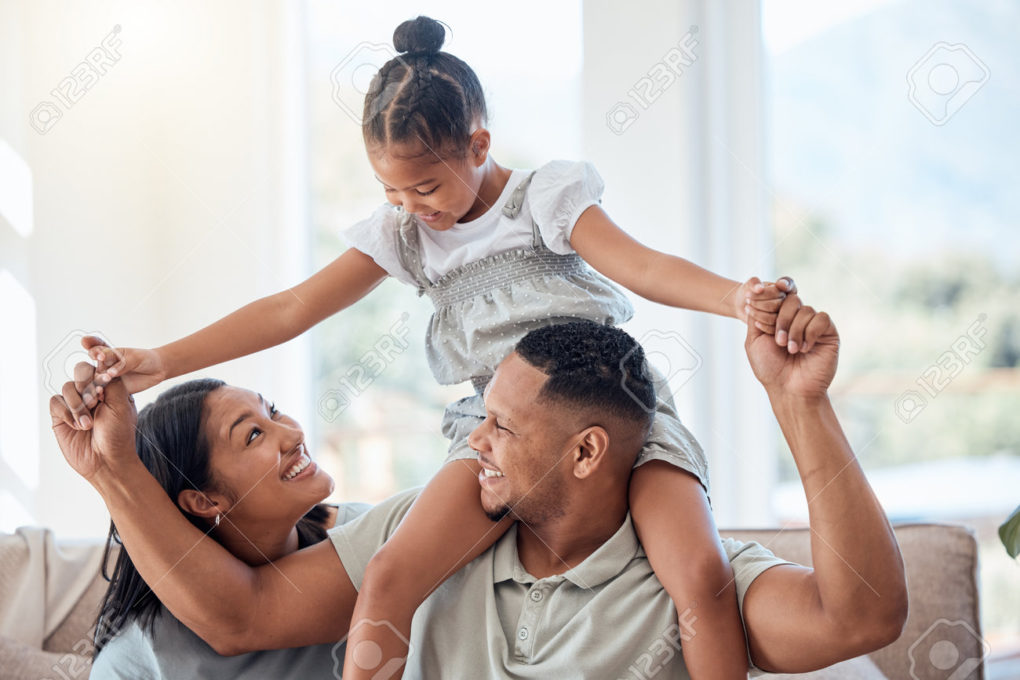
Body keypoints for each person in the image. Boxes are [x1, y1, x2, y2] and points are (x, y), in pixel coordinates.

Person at [74, 14, 800, 678]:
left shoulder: (544, 198)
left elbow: (641, 265)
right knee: (393, 572)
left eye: (424, 187)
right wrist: (162, 360)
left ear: (479, 146)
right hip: (495, 431)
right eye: (392, 194)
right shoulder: (405, 235)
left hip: (618, 414)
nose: (412, 208)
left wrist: (737, 299)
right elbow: (292, 308)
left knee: (699, 573)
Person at [53, 298, 908, 678]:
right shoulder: (421, 534)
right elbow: (241, 616)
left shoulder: (690, 578)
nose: (472, 441)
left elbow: (862, 618)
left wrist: (802, 405)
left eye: (500, 427)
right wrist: (112, 470)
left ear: (584, 455)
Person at [81, 378, 370, 679]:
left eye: (273, 411)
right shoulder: (139, 659)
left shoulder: (365, 536)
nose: (295, 433)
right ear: (204, 501)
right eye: (254, 435)